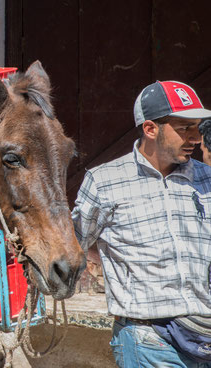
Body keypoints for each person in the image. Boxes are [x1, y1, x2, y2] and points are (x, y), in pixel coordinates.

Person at [72, 80, 211, 367]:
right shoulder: (104, 182)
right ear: (150, 129)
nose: (196, 138)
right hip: (148, 339)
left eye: (198, 127)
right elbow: (72, 246)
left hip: (204, 336)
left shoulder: (207, 179)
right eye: (184, 127)